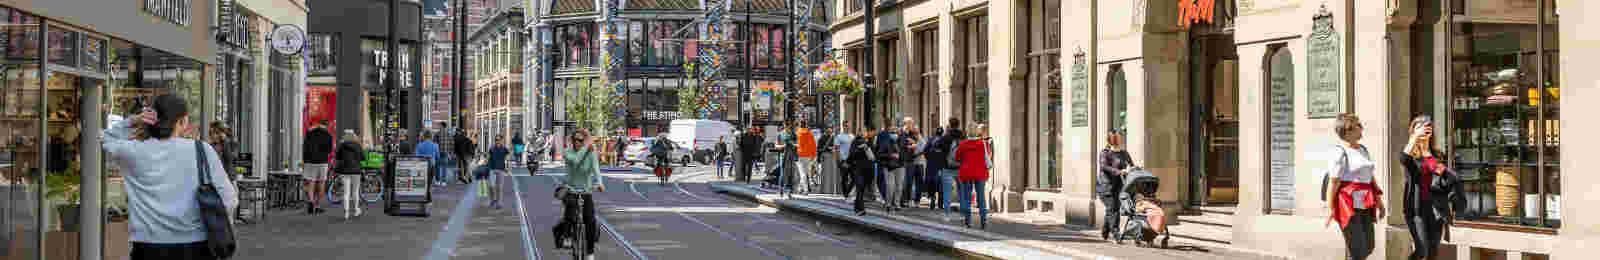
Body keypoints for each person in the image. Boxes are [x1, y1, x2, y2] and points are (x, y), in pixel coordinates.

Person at [103, 94, 238, 260]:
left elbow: (104, 137)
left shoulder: (134, 151)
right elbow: (229, 200)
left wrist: (134, 120)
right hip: (196, 246)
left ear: (151, 119)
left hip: (148, 247)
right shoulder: (201, 150)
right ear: (183, 121)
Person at [1400, 115, 1461, 260]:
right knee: (1422, 250)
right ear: (1413, 131)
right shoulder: (1411, 155)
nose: (1425, 127)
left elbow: (1443, 176)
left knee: (1432, 252)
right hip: (1417, 208)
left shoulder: (1437, 154)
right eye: (1420, 125)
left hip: (1436, 208)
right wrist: (1416, 137)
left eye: (1428, 125)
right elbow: (1403, 158)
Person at [1325, 113, 1383, 260]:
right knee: (1358, 250)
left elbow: (1370, 178)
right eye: (1358, 125)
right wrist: (1331, 208)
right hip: (1348, 205)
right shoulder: (1340, 151)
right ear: (1348, 130)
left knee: (1369, 246)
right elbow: (1334, 182)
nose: (1362, 128)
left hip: (1366, 204)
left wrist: (1379, 202)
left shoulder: (1363, 149)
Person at [553, 128, 605, 260]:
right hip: (570, 188)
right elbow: (576, 161)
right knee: (570, 210)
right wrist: (587, 147)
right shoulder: (568, 152)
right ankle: (567, 236)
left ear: (584, 141)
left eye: (581, 140)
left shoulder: (591, 153)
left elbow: (596, 169)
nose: (577, 142)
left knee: (591, 220)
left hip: (586, 190)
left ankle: (590, 252)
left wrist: (599, 183)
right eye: (575, 140)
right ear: (572, 140)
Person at [953, 124, 993, 229]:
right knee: (981, 197)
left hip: (966, 173)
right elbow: (987, 157)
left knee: (967, 197)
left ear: (967, 131)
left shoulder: (963, 144)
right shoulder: (982, 143)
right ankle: (983, 222)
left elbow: (957, 158)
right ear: (976, 132)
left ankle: (968, 221)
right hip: (980, 173)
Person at [1097, 129, 1134, 240]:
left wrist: (1134, 169)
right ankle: (1116, 233)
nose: (1118, 139)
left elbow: (1131, 165)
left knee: (1112, 209)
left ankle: (1105, 231)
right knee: (1113, 209)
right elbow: (1104, 166)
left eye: (1119, 137)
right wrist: (1119, 171)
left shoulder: (1124, 153)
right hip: (1105, 186)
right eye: (1116, 137)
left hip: (1119, 186)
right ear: (1111, 139)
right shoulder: (1105, 152)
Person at [931, 118, 965, 219]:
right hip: (960, 167)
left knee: (947, 192)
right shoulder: (963, 136)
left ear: (949, 125)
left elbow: (935, 145)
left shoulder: (946, 136)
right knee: (962, 191)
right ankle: (963, 214)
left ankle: (947, 215)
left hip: (947, 167)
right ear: (958, 125)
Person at [302, 119, 335, 214]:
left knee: (311, 182)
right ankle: (317, 205)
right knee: (321, 183)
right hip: (322, 161)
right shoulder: (328, 135)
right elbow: (330, 149)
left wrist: (305, 160)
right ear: (327, 125)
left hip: (310, 161)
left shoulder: (309, 133)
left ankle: (311, 201)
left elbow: (305, 147)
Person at [334, 130, 367, 218]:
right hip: (356, 171)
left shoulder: (342, 145)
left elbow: (337, 157)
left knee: (346, 192)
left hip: (344, 171)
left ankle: (346, 212)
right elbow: (363, 158)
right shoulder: (358, 145)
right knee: (355, 191)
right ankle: (356, 210)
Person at [846, 127, 877, 216]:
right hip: (857, 168)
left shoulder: (870, 142)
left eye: (865, 131)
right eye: (861, 131)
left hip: (868, 169)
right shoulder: (855, 141)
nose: (864, 133)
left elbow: (874, 156)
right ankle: (860, 209)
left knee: (862, 189)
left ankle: (857, 207)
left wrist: (867, 148)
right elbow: (852, 154)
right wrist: (860, 149)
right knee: (859, 186)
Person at [898, 118, 922, 209]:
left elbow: (917, 143)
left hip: (911, 160)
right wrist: (910, 146)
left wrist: (914, 143)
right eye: (911, 123)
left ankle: (906, 200)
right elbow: (900, 146)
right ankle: (902, 200)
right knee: (904, 182)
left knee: (909, 182)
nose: (912, 125)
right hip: (903, 160)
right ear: (907, 124)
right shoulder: (901, 133)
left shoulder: (912, 134)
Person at [483, 136, 510, 208]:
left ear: (501, 140)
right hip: (492, 169)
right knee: (491, 186)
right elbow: (488, 157)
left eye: (499, 140)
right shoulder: (492, 148)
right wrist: (485, 163)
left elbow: (507, 158)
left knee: (499, 187)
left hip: (501, 169)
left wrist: (507, 167)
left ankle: (499, 203)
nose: (497, 141)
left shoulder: (504, 149)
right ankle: (492, 200)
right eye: (496, 140)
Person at [833, 121, 856, 196]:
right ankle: (845, 194)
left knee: (854, 178)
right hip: (843, 160)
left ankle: (847, 192)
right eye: (846, 126)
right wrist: (838, 161)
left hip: (851, 160)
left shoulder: (852, 136)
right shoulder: (839, 137)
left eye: (848, 126)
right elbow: (836, 149)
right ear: (843, 126)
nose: (847, 127)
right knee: (844, 178)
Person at [795, 123, 818, 195]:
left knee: (802, 173)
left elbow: (794, 144)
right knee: (805, 172)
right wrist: (813, 155)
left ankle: (805, 190)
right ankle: (800, 188)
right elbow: (813, 145)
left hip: (799, 155)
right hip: (808, 156)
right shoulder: (809, 134)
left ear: (800, 125)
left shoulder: (797, 133)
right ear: (806, 125)